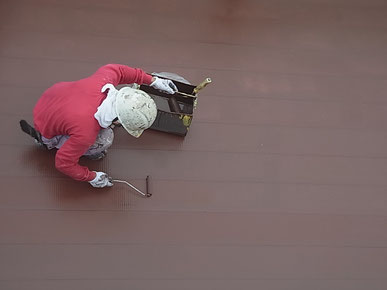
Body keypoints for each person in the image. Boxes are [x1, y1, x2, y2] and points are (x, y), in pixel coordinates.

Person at [20, 64, 178, 188]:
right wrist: (91, 177)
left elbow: (120, 70)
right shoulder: (86, 132)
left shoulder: (105, 79)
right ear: (118, 118)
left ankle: (53, 133)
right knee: (105, 139)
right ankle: (44, 140)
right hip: (46, 124)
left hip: (52, 98)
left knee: (77, 123)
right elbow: (63, 163)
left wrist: (154, 81)